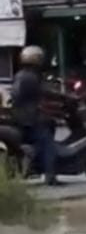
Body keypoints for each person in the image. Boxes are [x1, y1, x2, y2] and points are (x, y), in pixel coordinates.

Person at [10, 45, 65, 186]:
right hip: (29, 119)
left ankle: (36, 160)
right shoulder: (31, 77)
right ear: (37, 60)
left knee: (50, 124)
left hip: (20, 117)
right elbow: (45, 92)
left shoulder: (21, 74)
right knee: (47, 142)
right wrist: (65, 97)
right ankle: (50, 175)